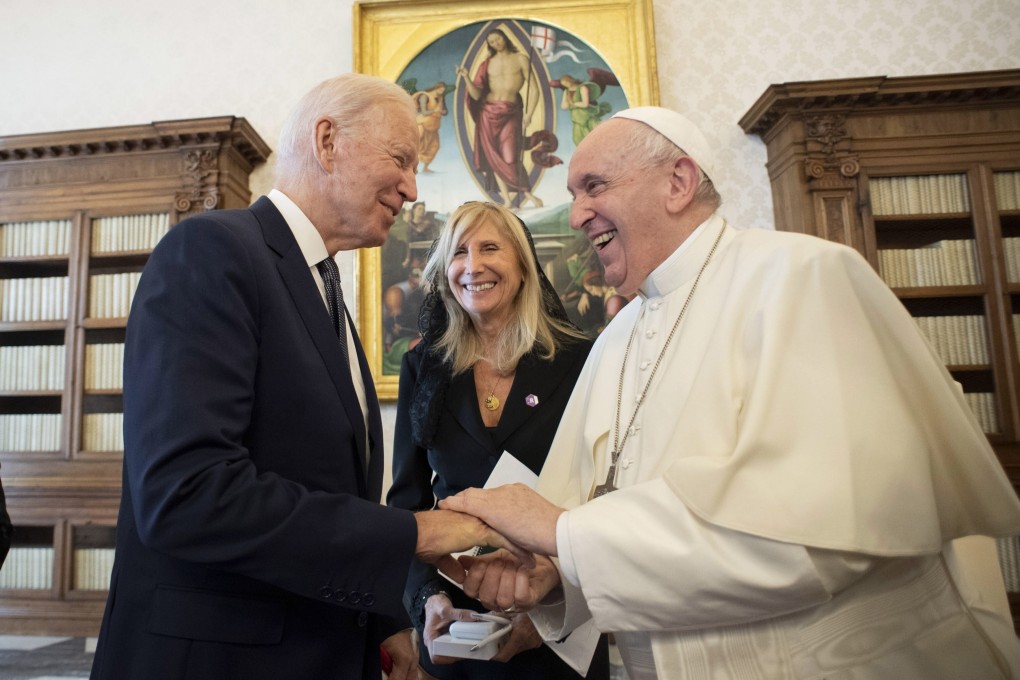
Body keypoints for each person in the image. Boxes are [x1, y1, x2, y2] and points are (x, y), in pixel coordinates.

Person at [440, 107, 1020, 679]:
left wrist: (563, 535)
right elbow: (596, 520)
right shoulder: (615, 338)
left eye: (594, 186)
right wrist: (555, 576)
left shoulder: (802, 277)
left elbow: (816, 531)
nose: (577, 215)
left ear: (678, 182)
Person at [90, 74, 525, 680]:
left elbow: (325, 488)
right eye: (400, 159)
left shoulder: (325, 289)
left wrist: (384, 623)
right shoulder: (213, 252)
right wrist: (413, 532)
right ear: (327, 141)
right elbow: (186, 494)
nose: (411, 185)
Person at [387, 201, 608, 679]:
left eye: (490, 248)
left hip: (558, 622)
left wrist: (551, 606)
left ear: (524, 267)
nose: (473, 266)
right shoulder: (422, 368)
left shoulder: (583, 360)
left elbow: (604, 493)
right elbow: (408, 502)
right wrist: (430, 600)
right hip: (457, 632)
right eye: (459, 252)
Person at [456, 29, 544, 209]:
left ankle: (527, 193)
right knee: (492, 157)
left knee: (510, 156)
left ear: (505, 38)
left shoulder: (520, 59)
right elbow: (476, 94)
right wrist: (466, 77)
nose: (496, 43)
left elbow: (534, 89)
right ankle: (506, 199)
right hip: (487, 113)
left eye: (498, 38)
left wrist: (529, 114)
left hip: (510, 112)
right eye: (492, 41)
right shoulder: (487, 64)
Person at [413, 82, 449, 174]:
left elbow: (443, 111)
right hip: (422, 124)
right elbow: (424, 112)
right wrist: (435, 110)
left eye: (443, 91)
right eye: (440, 89)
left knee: (434, 146)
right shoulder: (425, 96)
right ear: (437, 87)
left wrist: (443, 111)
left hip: (433, 126)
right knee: (417, 144)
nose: (441, 92)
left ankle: (425, 167)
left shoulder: (440, 98)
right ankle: (411, 167)